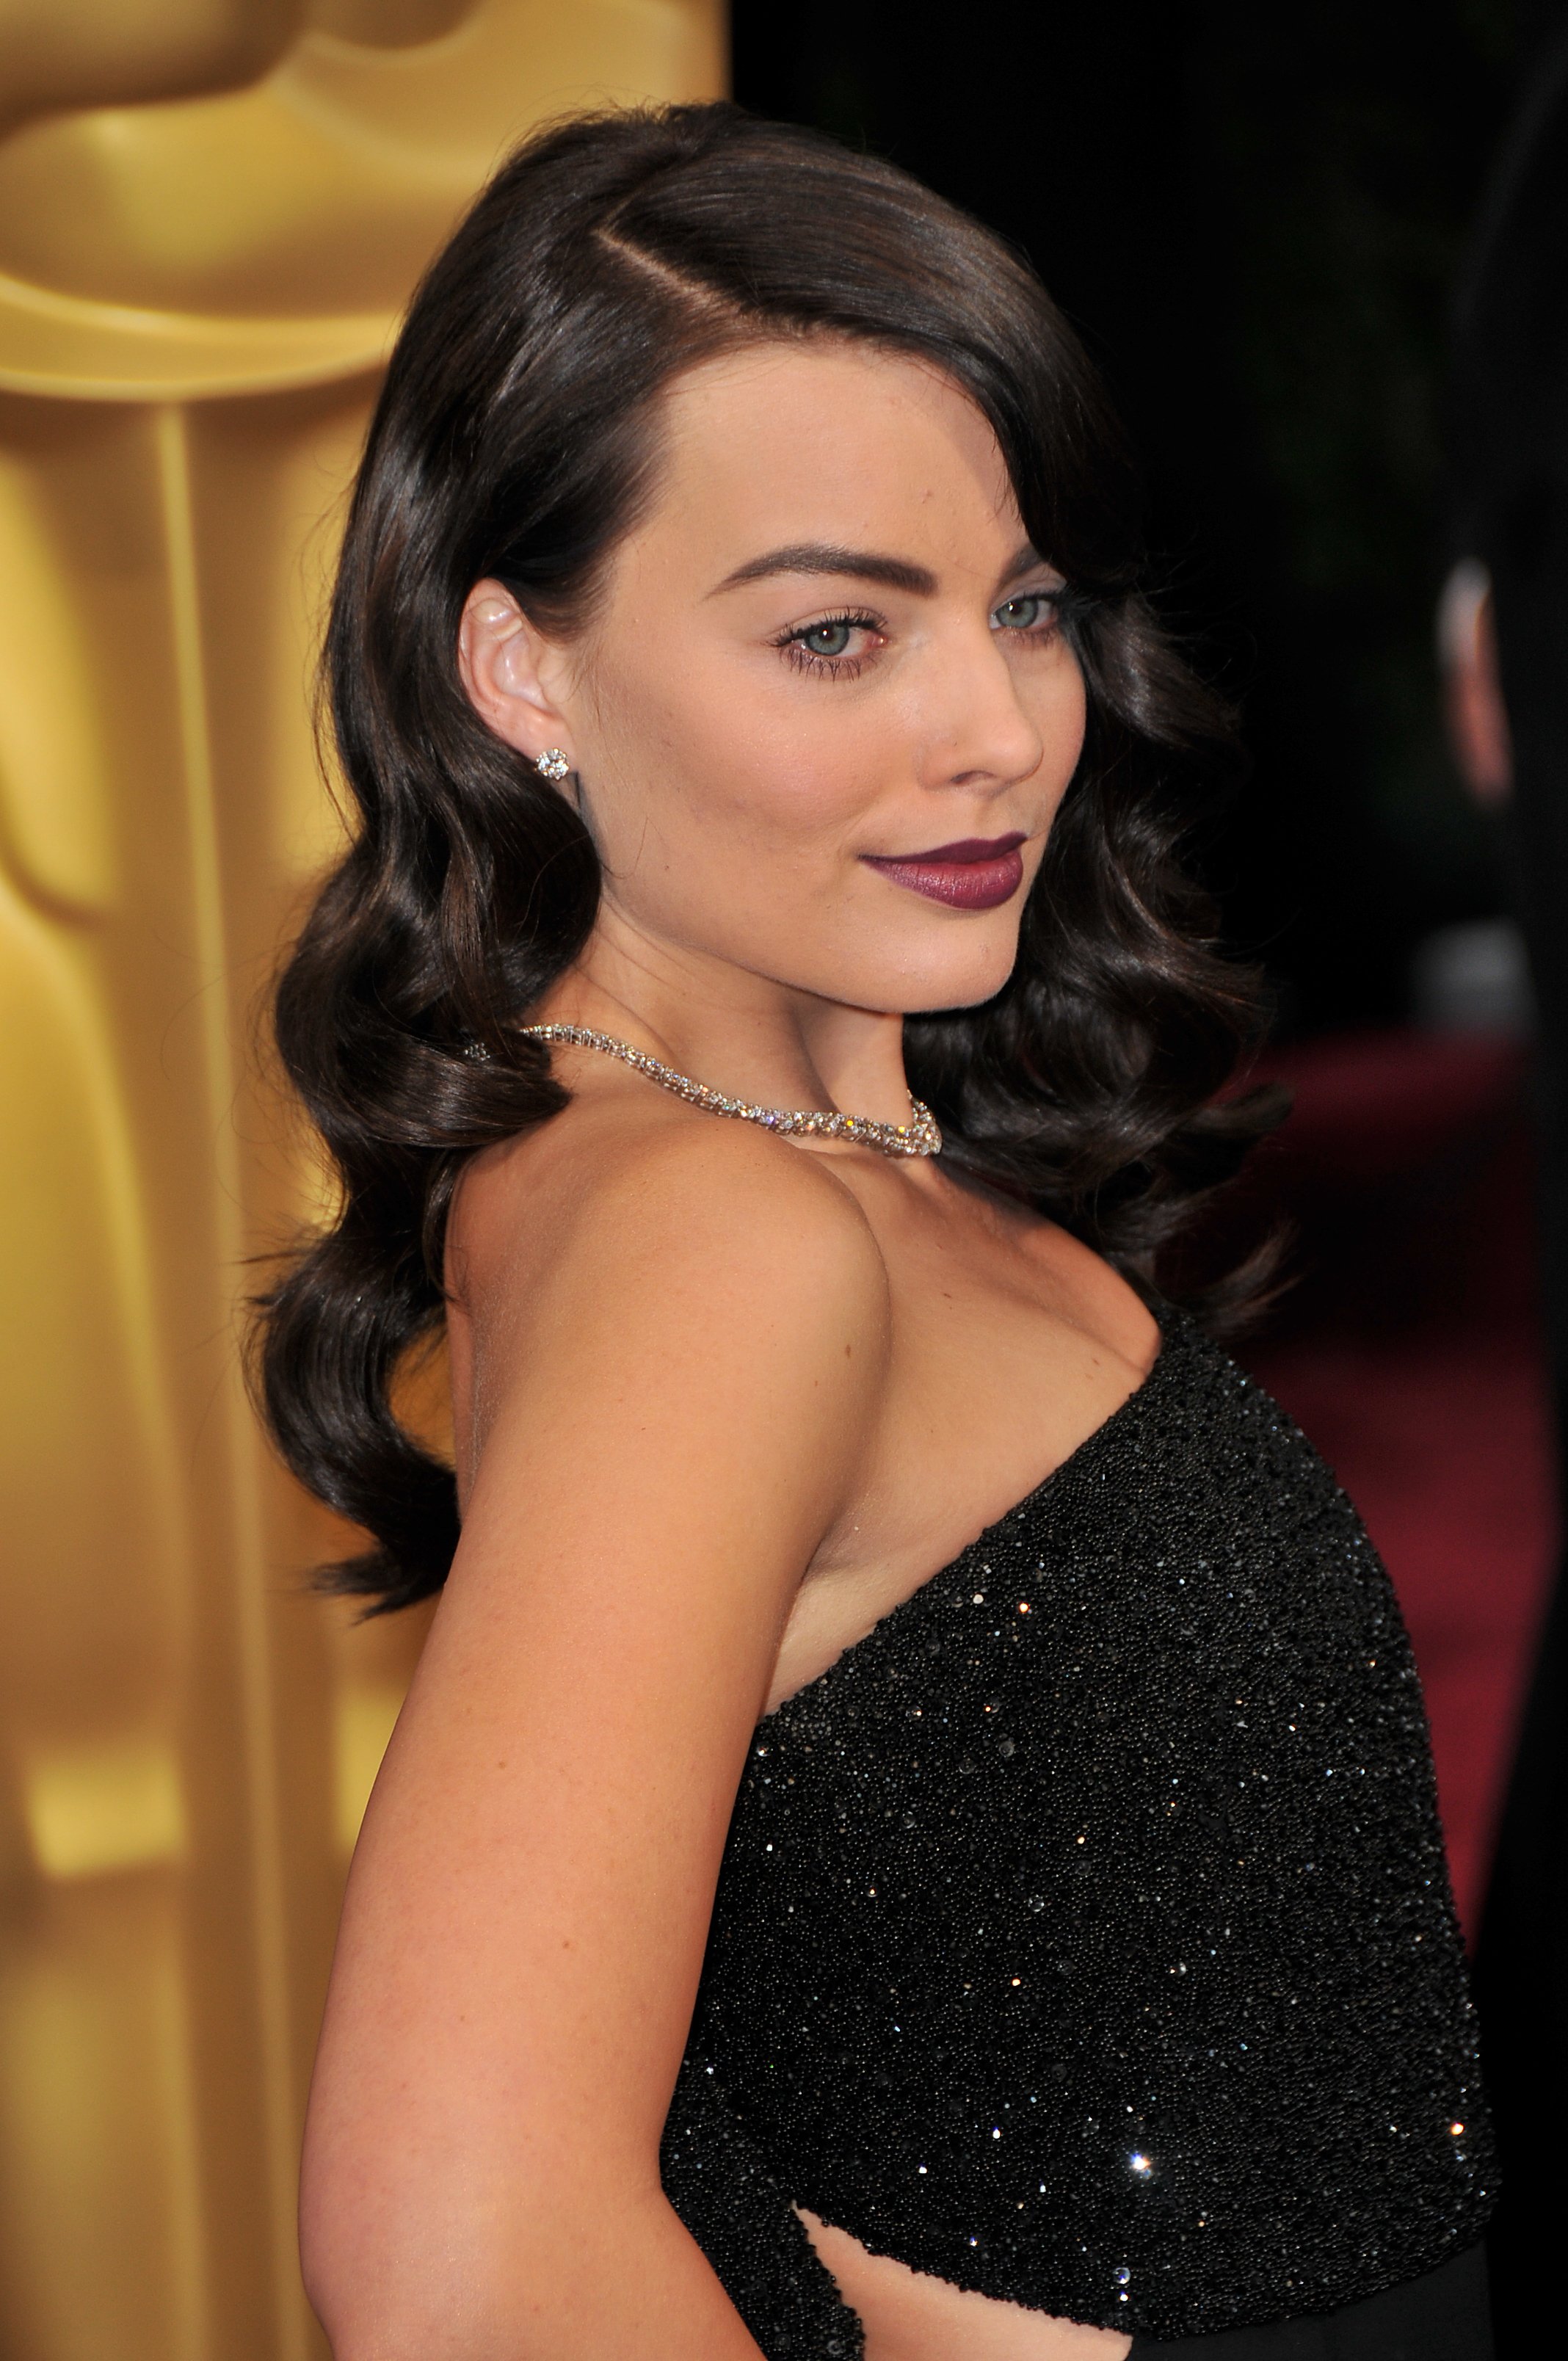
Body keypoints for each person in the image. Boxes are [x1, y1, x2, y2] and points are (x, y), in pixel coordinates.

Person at [258, 103, 1496, 2361]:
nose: (997, 729)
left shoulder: (771, 1165)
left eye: (1022, 608)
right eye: (836, 635)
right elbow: (457, 2250)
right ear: (521, 671)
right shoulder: (718, 1238)